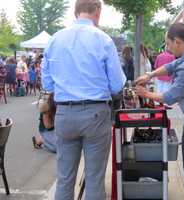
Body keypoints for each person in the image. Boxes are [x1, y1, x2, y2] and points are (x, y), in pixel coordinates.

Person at [41, 0, 126, 199]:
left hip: (65, 113)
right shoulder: (103, 39)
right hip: (95, 113)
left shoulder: (55, 39)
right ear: (97, 12)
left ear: (75, 12)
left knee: (64, 179)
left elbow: (47, 84)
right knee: (94, 179)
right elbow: (116, 85)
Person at [134, 23, 184, 200]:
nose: (167, 49)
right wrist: (150, 75)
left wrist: (145, 93)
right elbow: (171, 66)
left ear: (177, 42)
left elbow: (171, 96)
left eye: (168, 44)